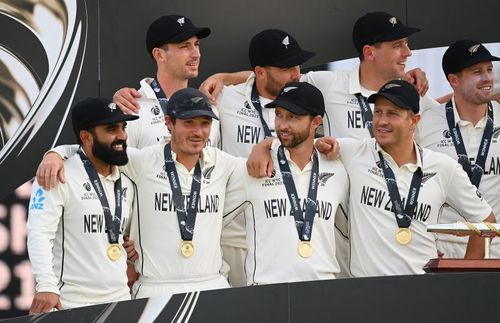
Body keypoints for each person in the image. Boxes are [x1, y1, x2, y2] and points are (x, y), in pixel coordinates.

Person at [248, 79, 496, 277]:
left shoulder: (443, 167)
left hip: (423, 291)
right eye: (378, 112)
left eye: (393, 113)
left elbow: (486, 222)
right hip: (367, 293)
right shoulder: (352, 151)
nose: (382, 121)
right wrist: (262, 146)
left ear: (414, 121)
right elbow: (298, 141)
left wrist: (463, 273)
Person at [36, 88, 247, 299]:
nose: (198, 132)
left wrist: (266, 145)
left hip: (211, 287)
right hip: (154, 290)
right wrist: (56, 154)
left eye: (205, 123)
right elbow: (95, 149)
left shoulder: (224, 164)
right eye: (189, 122)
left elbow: (269, 161)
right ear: (169, 123)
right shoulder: (143, 161)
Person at [200, 11, 436, 140]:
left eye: (406, 44)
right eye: (398, 45)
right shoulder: (327, 84)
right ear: (369, 52)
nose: (408, 52)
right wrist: (224, 78)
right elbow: (270, 78)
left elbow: (447, 115)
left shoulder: (413, 93)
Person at [27, 97, 139, 312]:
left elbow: (123, 235)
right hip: (70, 303)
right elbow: (39, 233)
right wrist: (46, 284)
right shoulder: (56, 173)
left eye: (123, 127)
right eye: (111, 129)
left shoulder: (127, 178)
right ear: (86, 137)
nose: (122, 136)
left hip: (121, 299)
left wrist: (135, 251)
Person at [237, 82, 349, 285]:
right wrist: (264, 145)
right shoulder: (256, 167)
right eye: (279, 115)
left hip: (322, 290)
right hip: (266, 293)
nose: (282, 125)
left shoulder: (338, 170)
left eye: (293, 117)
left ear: (316, 121)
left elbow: (349, 233)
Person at [416, 40, 500, 258]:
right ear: (453, 80)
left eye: (489, 70)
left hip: (497, 246)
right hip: (443, 249)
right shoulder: (425, 123)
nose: (487, 78)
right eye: (477, 71)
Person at [112, 15, 219, 148]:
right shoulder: (132, 109)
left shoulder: (209, 106)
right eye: (185, 46)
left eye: (196, 45)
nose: (196, 54)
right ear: (159, 54)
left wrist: (222, 78)